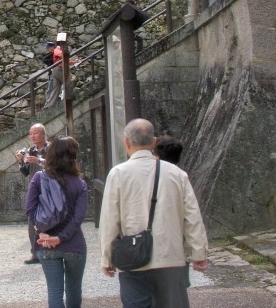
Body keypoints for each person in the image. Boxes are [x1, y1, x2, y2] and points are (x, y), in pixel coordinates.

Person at [100, 119, 209, 308]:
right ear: (154, 142)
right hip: (171, 257)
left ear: (126, 142)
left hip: (135, 258)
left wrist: (107, 257)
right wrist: (199, 251)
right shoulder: (177, 174)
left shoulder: (118, 173)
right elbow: (192, 216)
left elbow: (110, 219)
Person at [26, 137, 88, 308]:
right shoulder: (80, 184)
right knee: (74, 290)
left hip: (46, 243)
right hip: (74, 244)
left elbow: (30, 209)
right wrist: (61, 238)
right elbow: (78, 218)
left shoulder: (39, 178)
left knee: (54, 291)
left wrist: (42, 233)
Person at [16, 123, 50, 265]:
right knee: (32, 219)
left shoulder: (52, 148)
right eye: (31, 134)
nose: (32, 136)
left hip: (49, 188)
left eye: (35, 133)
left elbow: (56, 165)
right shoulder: (30, 150)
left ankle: (49, 250)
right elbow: (25, 172)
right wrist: (20, 162)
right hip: (34, 189)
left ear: (43, 134)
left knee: (50, 218)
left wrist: (39, 161)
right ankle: (35, 253)